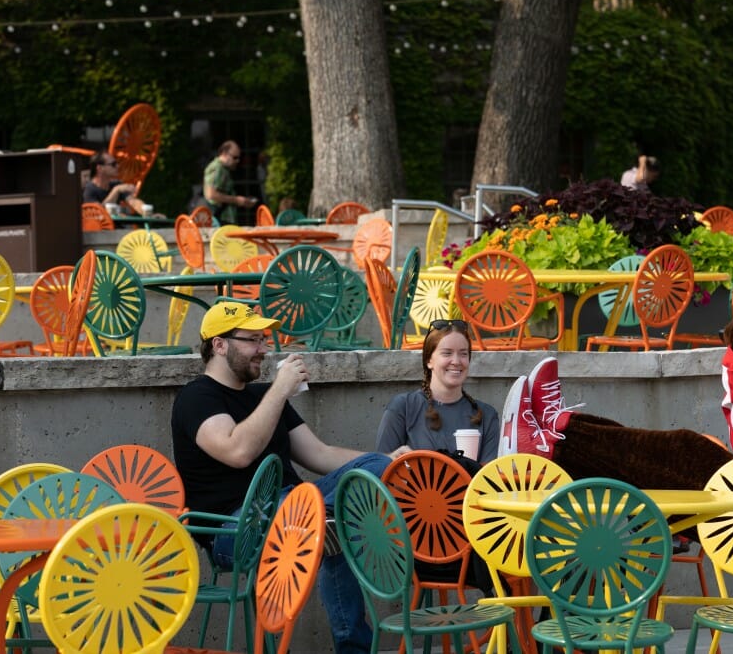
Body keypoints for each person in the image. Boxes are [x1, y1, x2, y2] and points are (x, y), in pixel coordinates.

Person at [171, 302, 411, 654]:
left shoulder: (261, 396)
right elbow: (236, 451)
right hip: (233, 530)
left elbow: (320, 455)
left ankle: (353, 648)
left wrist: (386, 460)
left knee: (358, 486)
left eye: (264, 340)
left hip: (294, 508)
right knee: (327, 517)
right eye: (253, 340)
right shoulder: (196, 398)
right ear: (219, 345)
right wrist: (280, 390)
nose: (264, 350)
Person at [375, 319, 500, 463]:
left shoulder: (487, 415)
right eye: (447, 353)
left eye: (463, 354)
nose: (456, 361)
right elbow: (381, 469)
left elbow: (488, 478)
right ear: (429, 360)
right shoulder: (403, 407)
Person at [203, 140, 258, 225]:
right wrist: (236, 200)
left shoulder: (224, 169)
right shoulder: (217, 168)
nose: (237, 161)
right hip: (218, 220)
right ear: (224, 154)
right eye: (235, 157)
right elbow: (211, 194)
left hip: (223, 219)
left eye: (239, 158)